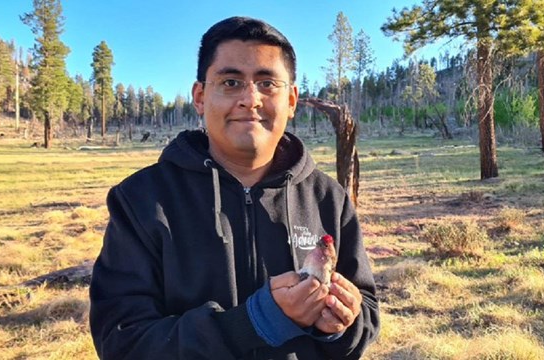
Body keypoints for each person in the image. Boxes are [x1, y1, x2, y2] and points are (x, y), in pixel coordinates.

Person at [89, 16, 380, 359]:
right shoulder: (142, 200)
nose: (250, 99)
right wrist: (252, 324)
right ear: (200, 97)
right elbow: (121, 341)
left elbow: (367, 314)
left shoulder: (328, 199)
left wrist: (343, 324)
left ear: (291, 100)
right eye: (230, 82)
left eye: (267, 83)